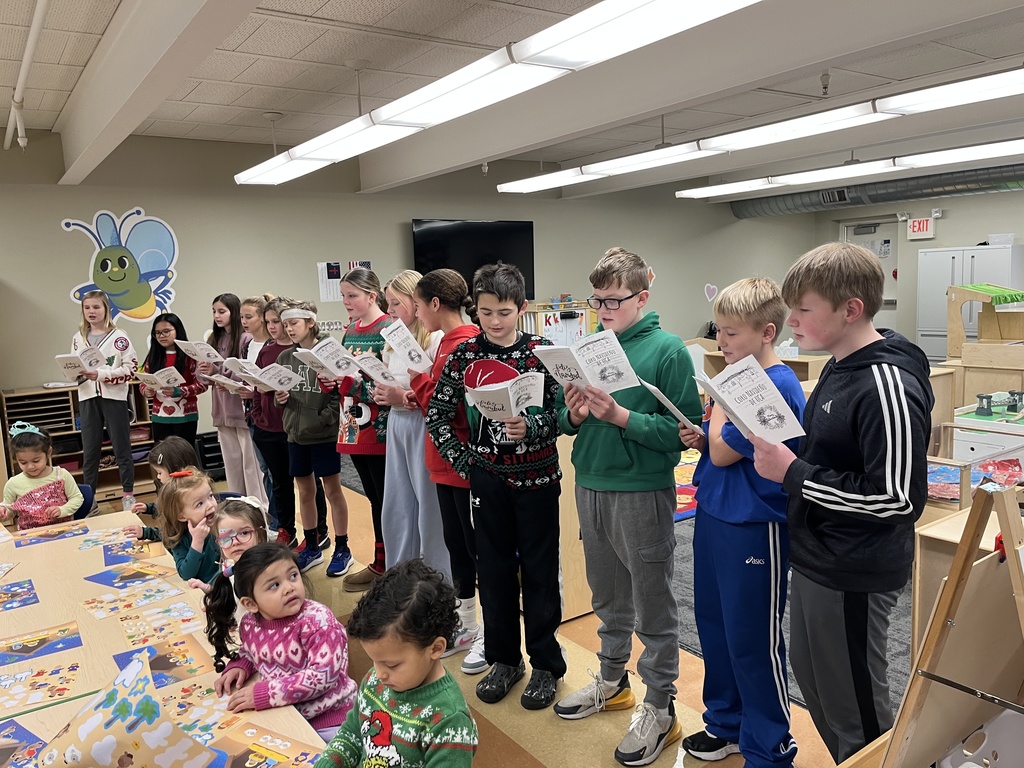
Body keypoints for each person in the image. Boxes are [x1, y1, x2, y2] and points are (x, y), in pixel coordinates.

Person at [751, 242, 933, 764]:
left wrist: (795, 474)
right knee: (819, 688)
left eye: (803, 309)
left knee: (857, 709)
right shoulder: (835, 363)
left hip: (856, 569)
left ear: (850, 309)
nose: (791, 321)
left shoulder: (886, 383)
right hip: (817, 556)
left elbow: (897, 499)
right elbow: (830, 452)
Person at [553, 247, 702, 767]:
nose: (603, 309)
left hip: (642, 490)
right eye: (597, 300)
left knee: (653, 605)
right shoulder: (590, 345)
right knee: (608, 598)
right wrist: (572, 414)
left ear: (642, 296)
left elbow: (681, 435)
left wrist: (620, 416)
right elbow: (560, 421)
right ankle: (612, 682)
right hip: (590, 484)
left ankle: (661, 706)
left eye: (614, 300)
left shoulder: (668, 351)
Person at [676, 278, 804, 768]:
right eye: (719, 332)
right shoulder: (735, 380)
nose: (721, 343)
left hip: (756, 526)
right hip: (714, 514)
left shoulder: (776, 384)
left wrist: (712, 417)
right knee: (715, 627)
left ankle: (769, 746)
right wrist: (705, 429)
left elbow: (726, 450)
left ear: (767, 331)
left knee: (752, 638)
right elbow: (716, 447)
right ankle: (726, 725)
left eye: (731, 334)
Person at [426, 263, 565, 710]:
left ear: (522, 309)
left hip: (538, 479)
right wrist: (466, 464)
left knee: (541, 573)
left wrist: (534, 426)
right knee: (495, 571)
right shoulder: (465, 355)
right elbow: (438, 415)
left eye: (504, 312)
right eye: (485, 312)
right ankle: (506, 659)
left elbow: (562, 414)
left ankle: (546, 663)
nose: (494, 322)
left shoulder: (544, 352)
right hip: (488, 481)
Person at [315, 558, 478, 768]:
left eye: (391, 665)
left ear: (435, 648)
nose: (379, 673)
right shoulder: (376, 682)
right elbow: (351, 734)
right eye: (374, 661)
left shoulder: (449, 722)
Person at [409, 269, 486, 673]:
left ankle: (489, 632)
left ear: (435, 304)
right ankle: (468, 623)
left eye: (419, 306)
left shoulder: (467, 343)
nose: (419, 315)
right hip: (442, 464)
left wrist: (417, 379)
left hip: (463, 465)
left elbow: (452, 409)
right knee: (459, 548)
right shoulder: (444, 343)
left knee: (478, 549)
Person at [213, 543, 357, 742]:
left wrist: (265, 693)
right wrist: (241, 665)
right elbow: (250, 650)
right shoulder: (250, 623)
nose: (289, 588)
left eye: (293, 576)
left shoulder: (318, 620)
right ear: (251, 604)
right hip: (285, 714)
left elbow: (322, 676)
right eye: (274, 585)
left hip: (332, 722)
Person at [373, 270, 449, 580]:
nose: (389, 311)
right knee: (398, 503)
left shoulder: (435, 337)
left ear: (415, 302)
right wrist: (383, 392)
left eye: (395, 303)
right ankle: (400, 578)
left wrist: (403, 395)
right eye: (387, 303)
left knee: (429, 506)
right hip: (397, 425)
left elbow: (437, 392)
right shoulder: (393, 337)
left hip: (423, 427)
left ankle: (436, 580)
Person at [274, 300, 352, 578]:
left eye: (293, 323)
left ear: (310, 322)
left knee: (332, 490)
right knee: (305, 491)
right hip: (296, 436)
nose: (288, 329)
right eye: (285, 325)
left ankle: (343, 547)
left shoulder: (329, 352)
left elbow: (340, 394)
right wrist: (280, 397)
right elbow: (281, 393)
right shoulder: (285, 358)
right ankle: (313, 545)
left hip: (323, 435)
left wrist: (323, 420)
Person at [331, 267, 392, 592]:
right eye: (343, 296)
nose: (346, 302)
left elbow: (389, 386)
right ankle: (380, 562)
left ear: (372, 295)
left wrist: (350, 386)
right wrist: (333, 382)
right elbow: (348, 376)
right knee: (372, 498)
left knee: (385, 499)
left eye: (352, 295)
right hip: (353, 426)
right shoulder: (351, 330)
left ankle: (388, 565)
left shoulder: (388, 329)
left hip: (379, 430)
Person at [196, 293, 267, 504]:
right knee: (232, 463)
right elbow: (204, 378)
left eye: (222, 311)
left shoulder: (245, 338)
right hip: (222, 411)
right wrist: (205, 370)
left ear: (233, 312)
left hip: (241, 410)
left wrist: (217, 369)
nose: (217, 316)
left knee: (251, 464)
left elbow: (243, 373)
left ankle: (258, 506)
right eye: (214, 311)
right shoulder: (213, 339)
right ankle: (237, 503)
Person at [71, 290, 138, 511]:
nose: (91, 311)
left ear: (106, 309)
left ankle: (128, 495)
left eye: (96, 307)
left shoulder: (119, 337)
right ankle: (90, 499)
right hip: (88, 397)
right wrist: (72, 372)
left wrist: (101, 375)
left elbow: (131, 369)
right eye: (87, 307)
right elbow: (74, 367)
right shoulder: (78, 338)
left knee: (122, 448)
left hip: (113, 397)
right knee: (90, 450)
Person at [192, 497, 271, 666]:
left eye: (244, 533)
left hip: (273, 652)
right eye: (225, 537)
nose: (234, 542)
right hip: (251, 646)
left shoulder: (270, 573)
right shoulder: (231, 566)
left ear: (261, 532)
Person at [241, 293, 279, 532]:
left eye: (249, 316)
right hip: (252, 411)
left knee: (275, 472)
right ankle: (272, 517)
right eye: (242, 317)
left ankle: (276, 520)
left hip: (272, 414)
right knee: (265, 469)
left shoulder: (270, 346)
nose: (244, 321)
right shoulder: (247, 344)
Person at [0, 422, 84, 529]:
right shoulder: (13, 483)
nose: (30, 466)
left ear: (48, 452)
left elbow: (77, 498)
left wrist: (62, 510)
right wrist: (4, 512)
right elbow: (9, 509)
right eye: (23, 462)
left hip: (64, 530)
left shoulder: (61, 475)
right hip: (30, 535)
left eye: (36, 460)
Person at [140, 312, 206, 444]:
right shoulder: (153, 357)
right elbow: (143, 382)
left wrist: (179, 391)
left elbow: (202, 385)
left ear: (178, 330)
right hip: (159, 416)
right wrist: (146, 390)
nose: (161, 336)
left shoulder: (190, 355)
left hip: (186, 415)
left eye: (166, 331)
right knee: (163, 457)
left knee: (184, 456)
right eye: (157, 333)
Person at [123, 435, 201, 540]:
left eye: (159, 472)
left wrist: (145, 533)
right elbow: (169, 509)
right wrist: (149, 508)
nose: (158, 476)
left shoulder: (187, 498)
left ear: (176, 470)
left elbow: (173, 535)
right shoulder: (191, 490)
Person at [157, 467, 221, 583]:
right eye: (199, 504)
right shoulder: (178, 538)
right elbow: (186, 574)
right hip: (203, 593)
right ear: (181, 516)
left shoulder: (224, 523)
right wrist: (197, 541)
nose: (210, 505)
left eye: (210, 496)